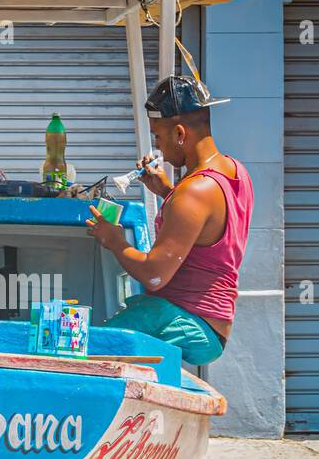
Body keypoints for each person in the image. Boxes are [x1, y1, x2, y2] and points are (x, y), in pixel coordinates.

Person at [86, 75, 253, 366]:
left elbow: (154, 274)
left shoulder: (193, 193)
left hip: (187, 319)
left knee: (89, 352)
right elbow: (205, 227)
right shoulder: (233, 171)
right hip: (209, 324)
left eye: (158, 137)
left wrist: (114, 241)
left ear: (179, 134)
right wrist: (167, 192)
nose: (158, 147)